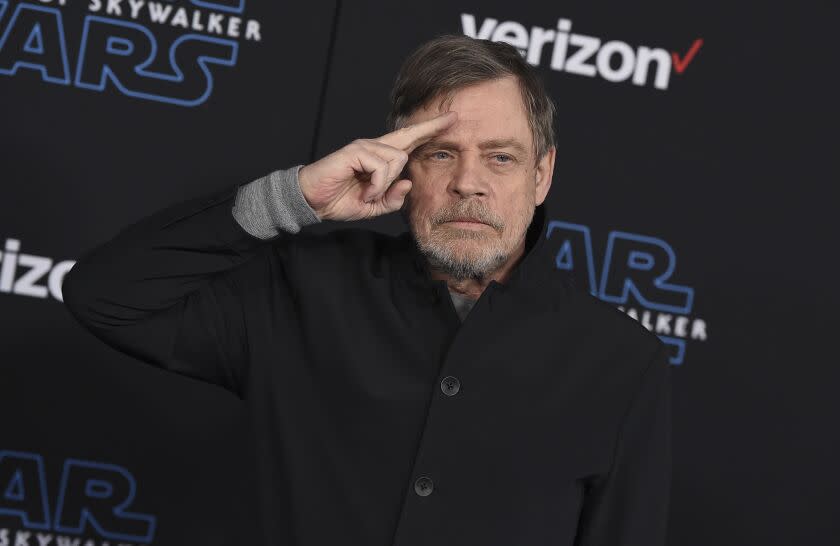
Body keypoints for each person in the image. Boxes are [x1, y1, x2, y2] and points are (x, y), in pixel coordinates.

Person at [63, 34, 672, 546]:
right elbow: (104, 295)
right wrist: (293, 197)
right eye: (439, 152)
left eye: (501, 158)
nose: (468, 183)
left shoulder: (621, 362)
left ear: (542, 175)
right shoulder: (302, 288)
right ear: (400, 162)